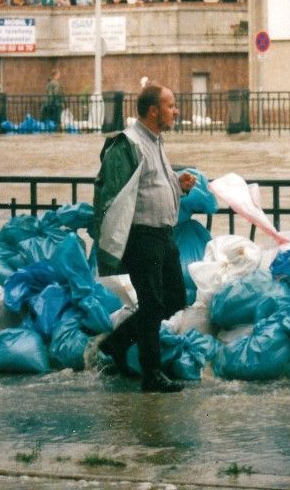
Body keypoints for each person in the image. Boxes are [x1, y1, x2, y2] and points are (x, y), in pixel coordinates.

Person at [93, 84, 197, 393]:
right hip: (142, 236)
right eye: (170, 106)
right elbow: (113, 194)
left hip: (164, 234)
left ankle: (118, 341)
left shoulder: (157, 141)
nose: (176, 111)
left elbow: (152, 185)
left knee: (175, 297)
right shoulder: (130, 143)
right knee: (152, 303)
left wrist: (178, 186)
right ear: (153, 110)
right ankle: (151, 374)